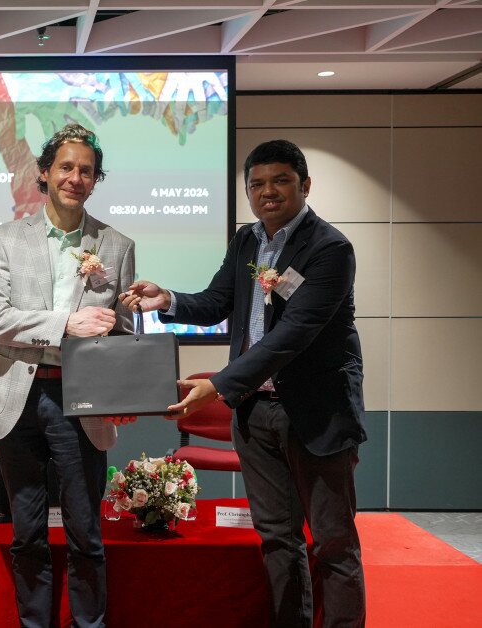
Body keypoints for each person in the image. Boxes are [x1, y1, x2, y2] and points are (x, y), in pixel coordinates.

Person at [120, 139, 367, 627]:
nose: (267, 192)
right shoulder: (248, 241)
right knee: (277, 536)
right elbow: (217, 302)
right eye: (257, 184)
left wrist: (218, 385)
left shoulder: (330, 248)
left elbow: (293, 335)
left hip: (317, 413)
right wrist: (166, 297)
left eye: (280, 181)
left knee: (333, 540)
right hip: (257, 414)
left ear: (305, 185)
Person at [0, 123, 136, 627]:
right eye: (66, 167)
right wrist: (64, 324)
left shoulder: (117, 244)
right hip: (17, 398)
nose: (75, 177)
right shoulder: (5, 238)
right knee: (26, 531)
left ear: (95, 180)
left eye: (86, 171)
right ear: (44, 174)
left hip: (82, 400)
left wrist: (124, 386)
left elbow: (124, 329)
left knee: (86, 531)